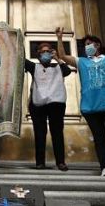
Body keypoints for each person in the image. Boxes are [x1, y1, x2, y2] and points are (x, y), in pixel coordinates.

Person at [57, 28, 105, 177]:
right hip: (91, 105)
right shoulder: (81, 61)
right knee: (99, 137)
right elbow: (62, 56)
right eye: (85, 45)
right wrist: (59, 38)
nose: (86, 47)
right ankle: (104, 167)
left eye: (89, 43)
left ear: (97, 45)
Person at [25, 41, 72, 171]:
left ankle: (60, 162)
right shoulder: (34, 67)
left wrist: (57, 58)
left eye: (48, 51)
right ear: (38, 55)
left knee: (57, 133)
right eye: (42, 52)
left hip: (56, 104)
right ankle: (40, 162)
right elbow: (20, 59)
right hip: (38, 104)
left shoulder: (58, 67)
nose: (45, 54)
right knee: (40, 133)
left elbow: (67, 71)